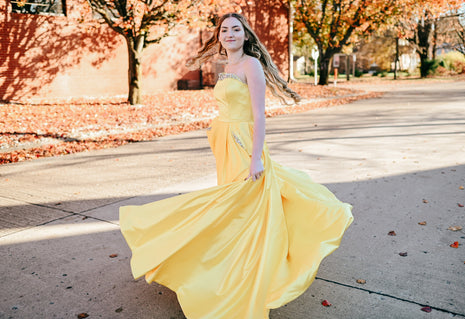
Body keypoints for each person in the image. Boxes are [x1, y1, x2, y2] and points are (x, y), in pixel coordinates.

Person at [120, 12, 353, 319]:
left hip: (245, 144)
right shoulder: (227, 65)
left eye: (236, 29)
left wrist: (256, 157)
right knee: (233, 209)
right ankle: (224, 263)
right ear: (220, 36)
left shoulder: (250, 65)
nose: (229, 34)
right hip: (226, 144)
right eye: (225, 30)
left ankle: (248, 272)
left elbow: (258, 115)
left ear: (246, 35)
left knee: (243, 205)